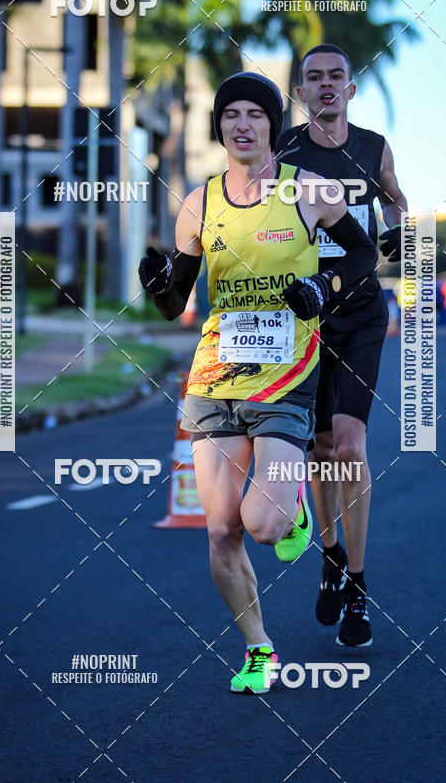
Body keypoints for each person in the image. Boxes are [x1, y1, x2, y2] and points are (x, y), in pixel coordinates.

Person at [138, 71, 377, 692]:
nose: (242, 125)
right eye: (231, 115)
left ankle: (293, 509)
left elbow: (361, 256)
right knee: (220, 529)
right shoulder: (199, 202)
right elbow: (174, 303)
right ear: (219, 126)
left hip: (288, 374)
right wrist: (156, 281)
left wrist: (322, 288)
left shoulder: (309, 190)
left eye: (255, 115)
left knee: (263, 525)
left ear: (273, 125)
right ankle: (260, 650)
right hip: (215, 377)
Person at [275, 44, 409, 648]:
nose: (325, 86)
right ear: (299, 93)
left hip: (358, 314)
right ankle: (329, 556)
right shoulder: (284, 152)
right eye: (313, 79)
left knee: (350, 445)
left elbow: (394, 197)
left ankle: (357, 583)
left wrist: (400, 228)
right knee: (320, 446)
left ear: (350, 89)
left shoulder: (374, 146)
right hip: (304, 318)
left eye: (336, 77)